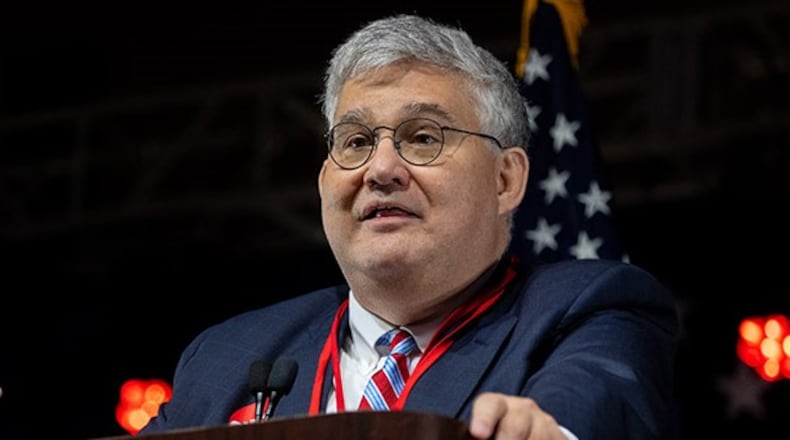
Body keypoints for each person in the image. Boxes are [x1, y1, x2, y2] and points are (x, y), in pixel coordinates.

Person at [138, 14, 678, 440]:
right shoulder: (226, 357)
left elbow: (595, 404)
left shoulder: (589, 309)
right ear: (325, 179)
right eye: (355, 142)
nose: (380, 170)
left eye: (423, 137)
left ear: (505, 180)